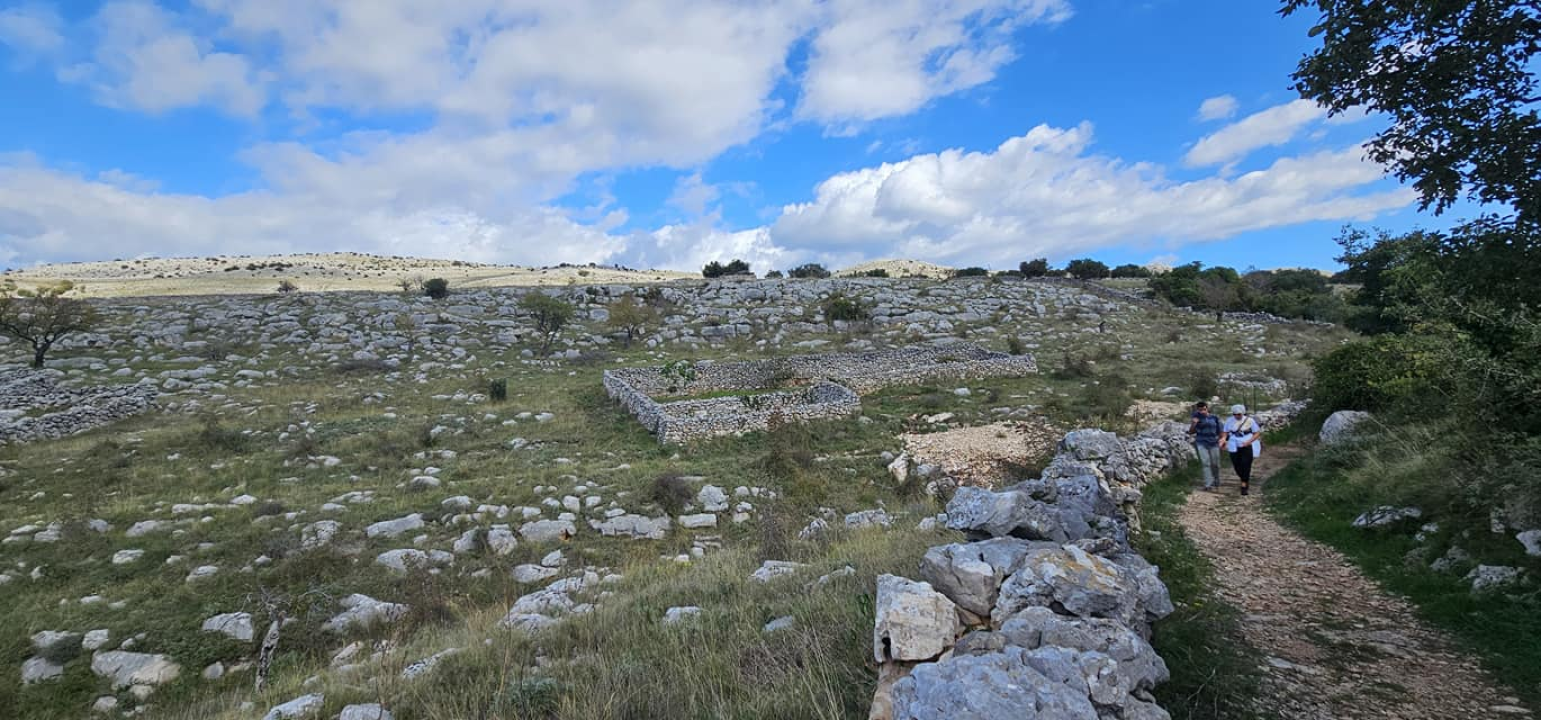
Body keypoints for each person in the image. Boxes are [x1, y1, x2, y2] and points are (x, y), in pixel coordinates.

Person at [1221, 404, 1262, 496]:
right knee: (1236, 464)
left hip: (1246, 443)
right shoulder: (1229, 421)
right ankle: (1244, 478)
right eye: (1235, 414)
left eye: (1239, 414)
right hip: (1233, 443)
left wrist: (1249, 442)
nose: (1237, 416)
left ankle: (1244, 485)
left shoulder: (1249, 421)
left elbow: (1256, 433)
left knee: (1246, 464)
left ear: (1242, 413)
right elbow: (1225, 432)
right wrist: (1223, 439)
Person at [1187, 401, 1225, 491]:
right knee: (1205, 463)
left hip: (1214, 442)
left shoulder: (1214, 417)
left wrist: (1223, 440)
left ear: (1207, 408)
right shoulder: (1196, 417)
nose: (1202, 411)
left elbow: (1220, 431)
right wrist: (1194, 423)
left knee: (1215, 463)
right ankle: (1208, 484)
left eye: (1204, 409)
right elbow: (1191, 432)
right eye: (1200, 410)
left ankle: (1216, 479)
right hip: (1201, 442)